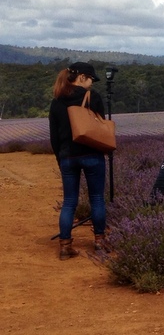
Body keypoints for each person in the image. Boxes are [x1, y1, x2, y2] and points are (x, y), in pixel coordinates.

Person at [48, 62, 108, 259]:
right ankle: (100, 241)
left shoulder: (57, 101)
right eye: (90, 78)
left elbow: (54, 137)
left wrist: (61, 159)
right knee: (97, 199)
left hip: (67, 157)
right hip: (92, 155)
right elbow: (101, 128)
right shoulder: (93, 97)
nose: (91, 83)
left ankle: (65, 246)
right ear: (82, 77)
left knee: (69, 202)